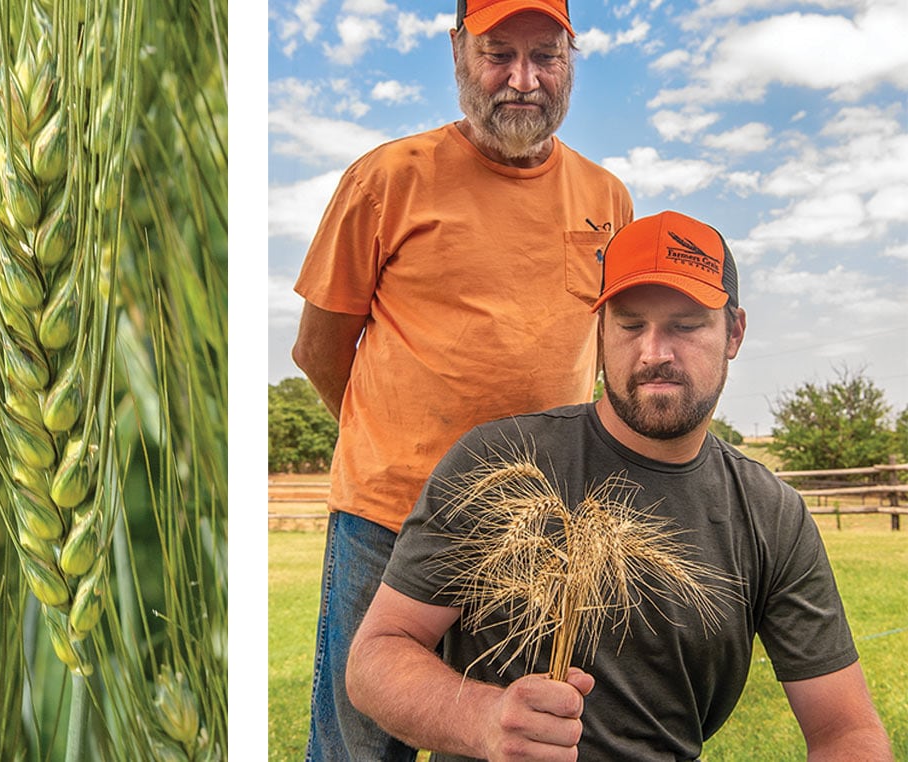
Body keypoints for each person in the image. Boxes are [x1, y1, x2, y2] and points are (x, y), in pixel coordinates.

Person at [346, 210, 894, 761]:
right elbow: (377, 656)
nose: (655, 353)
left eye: (686, 325)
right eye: (631, 325)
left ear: (734, 332)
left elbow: (845, 731)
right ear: (601, 329)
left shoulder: (771, 513)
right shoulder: (498, 462)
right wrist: (483, 719)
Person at [291, 1, 633, 758]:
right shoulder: (387, 178)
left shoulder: (607, 200)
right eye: (497, 52)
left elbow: (610, 357)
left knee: (499, 739)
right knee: (360, 743)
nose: (522, 79)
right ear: (456, 52)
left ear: (572, 60)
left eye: (545, 55)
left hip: (530, 536)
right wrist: (394, 451)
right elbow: (319, 349)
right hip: (385, 522)